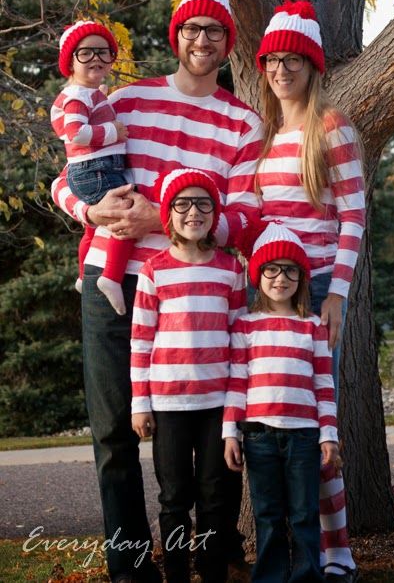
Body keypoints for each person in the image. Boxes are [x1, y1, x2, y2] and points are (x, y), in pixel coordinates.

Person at [51, 0, 262, 583]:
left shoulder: (242, 124)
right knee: (116, 434)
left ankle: (212, 556)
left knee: (203, 435)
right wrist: (89, 211)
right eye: (193, 28)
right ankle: (131, 569)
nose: (203, 40)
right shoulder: (128, 101)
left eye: (216, 31)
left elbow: (247, 218)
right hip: (113, 284)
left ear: (228, 43)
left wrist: (165, 221)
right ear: (177, 36)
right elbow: (69, 175)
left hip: (196, 298)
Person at [254, 0, 365, 582]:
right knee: (279, 426)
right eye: (274, 59)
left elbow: (354, 215)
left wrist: (337, 294)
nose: (282, 70)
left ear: (312, 66)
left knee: (319, 427)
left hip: (316, 289)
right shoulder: (267, 132)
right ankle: (295, 551)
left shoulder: (331, 127)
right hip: (272, 298)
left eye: (294, 60)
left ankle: (338, 551)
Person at [131, 167, 247, 583]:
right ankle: (177, 574)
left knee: (217, 496)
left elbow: (240, 344)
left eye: (203, 203)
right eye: (182, 203)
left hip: (218, 405)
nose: (193, 212)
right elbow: (141, 341)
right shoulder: (154, 270)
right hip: (168, 404)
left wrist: (236, 412)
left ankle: (212, 571)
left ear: (214, 213)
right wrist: (139, 404)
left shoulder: (230, 270)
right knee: (174, 497)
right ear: (168, 214)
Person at [223, 221, 339, 582]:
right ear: (258, 276)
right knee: (268, 513)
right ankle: (270, 576)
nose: (280, 278)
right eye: (271, 269)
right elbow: (237, 383)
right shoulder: (245, 326)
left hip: (304, 436)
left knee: (304, 513)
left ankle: (307, 576)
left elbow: (324, 385)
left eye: (289, 270)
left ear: (301, 278)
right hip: (258, 436)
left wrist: (329, 435)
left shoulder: (313, 327)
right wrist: (231, 432)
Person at [51, 20, 134, 316]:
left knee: (91, 226)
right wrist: (113, 132)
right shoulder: (77, 96)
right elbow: (76, 133)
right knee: (125, 217)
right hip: (96, 169)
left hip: (91, 170)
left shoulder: (87, 92)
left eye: (104, 52)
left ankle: (81, 275)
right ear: (70, 63)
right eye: (86, 53)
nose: (96, 58)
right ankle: (110, 277)